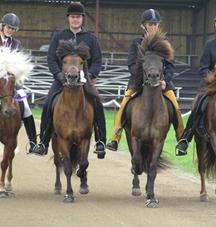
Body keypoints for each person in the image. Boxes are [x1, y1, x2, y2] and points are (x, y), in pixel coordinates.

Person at [32, 2, 106, 157]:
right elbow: (51, 59)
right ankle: (43, 142)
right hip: (62, 81)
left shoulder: (91, 38)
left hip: (83, 82)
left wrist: (90, 75)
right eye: (73, 17)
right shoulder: (59, 37)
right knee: (48, 103)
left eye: (78, 17)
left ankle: (101, 141)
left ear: (82, 19)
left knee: (97, 103)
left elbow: (98, 61)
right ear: (68, 18)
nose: (75, 20)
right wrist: (58, 75)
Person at [106, 9, 184, 151]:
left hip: (161, 82)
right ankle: (115, 138)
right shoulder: (137, 42)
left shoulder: (165, 42)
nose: (153, 26)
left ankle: (181, 140)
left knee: (176, 107)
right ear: (144, 25)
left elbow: (171, 66)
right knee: (124, 104)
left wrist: (165, 80)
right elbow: (131, 64)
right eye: (150, 24)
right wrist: (141, 78)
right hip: (139, 82)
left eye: (155, 24)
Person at [175, 12, 216, 156]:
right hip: (211, 85)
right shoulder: (210, 45)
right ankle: (186, 138)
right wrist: (211, 77)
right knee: (198, 104)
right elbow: (203, 67)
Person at [0, 13, 37, 153]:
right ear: (3, 26)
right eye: (9, 27)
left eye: (13, 29)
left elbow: (19, 66)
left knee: (26, 107)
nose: (10, 30)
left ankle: (33, 142)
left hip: (11, 85)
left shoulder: (16, 44)